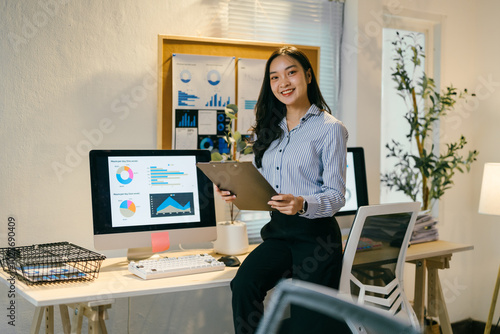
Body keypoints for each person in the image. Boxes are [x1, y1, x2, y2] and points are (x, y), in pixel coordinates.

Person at [216, 46, 349, 334]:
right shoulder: (270, 130)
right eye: (275, 77)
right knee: (243, 285)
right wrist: (236, 191)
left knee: (306, 323)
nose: (283, 83)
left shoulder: (330, 129)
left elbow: (337, 196)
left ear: (308, 76)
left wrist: (302, 203)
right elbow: (264, 189)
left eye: (291, 73)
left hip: (316, 238)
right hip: (279, 234)